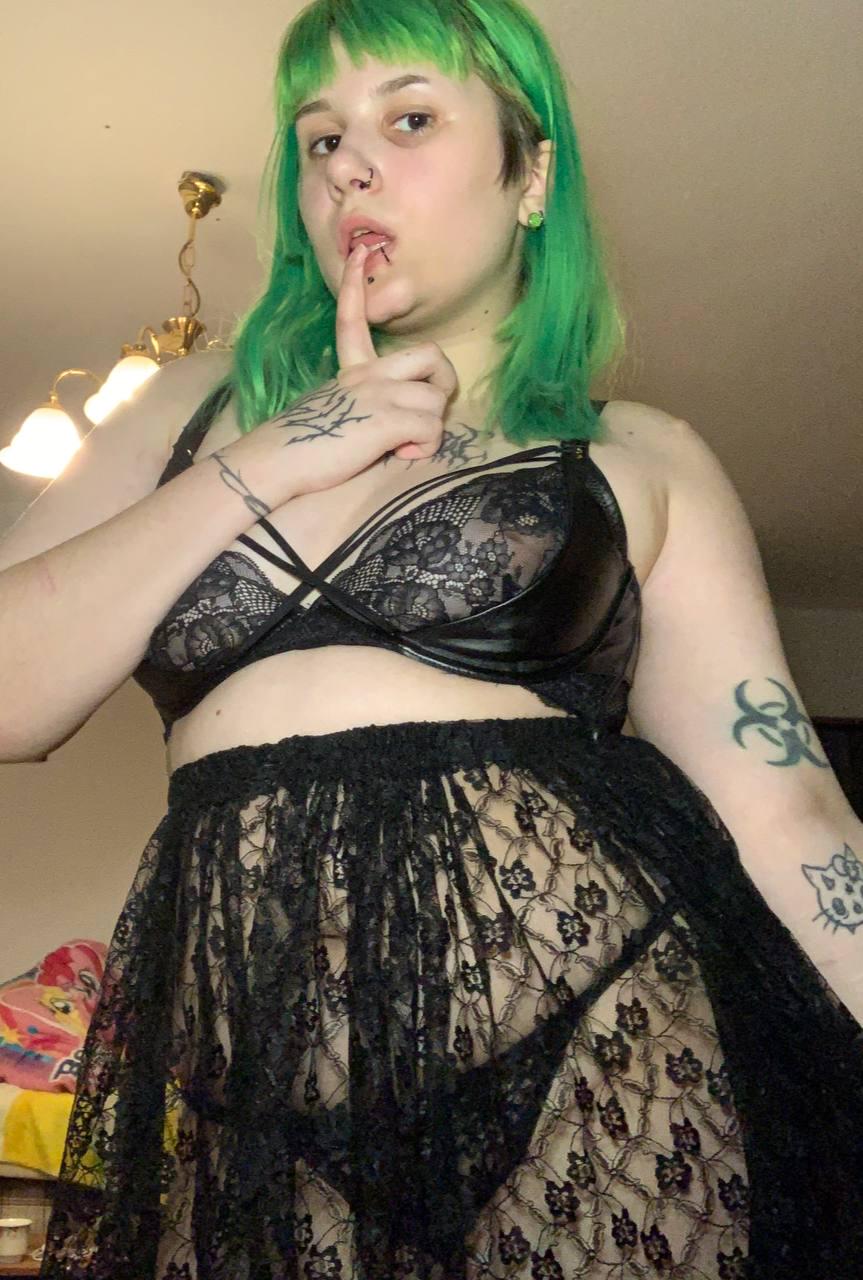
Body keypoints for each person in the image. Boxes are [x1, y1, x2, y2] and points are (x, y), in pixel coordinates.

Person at [2, 0, 862, 1276]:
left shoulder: (637, 453)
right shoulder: (183, 410)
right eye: (319, 138)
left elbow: (784, 810)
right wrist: (270, 456)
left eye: (408, 119)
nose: (349, 165)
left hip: (596, 1042)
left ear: (531, 173)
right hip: (255, 1104)